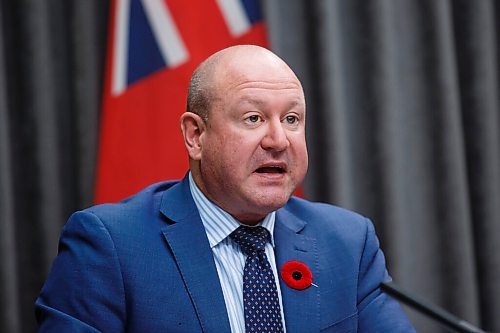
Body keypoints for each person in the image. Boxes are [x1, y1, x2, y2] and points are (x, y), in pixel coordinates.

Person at [35, 45, 415, 332]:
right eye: (253, 118)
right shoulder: (111, 246)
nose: (278, 139)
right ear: (195, 135)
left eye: (292, 118)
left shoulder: (348, 242)